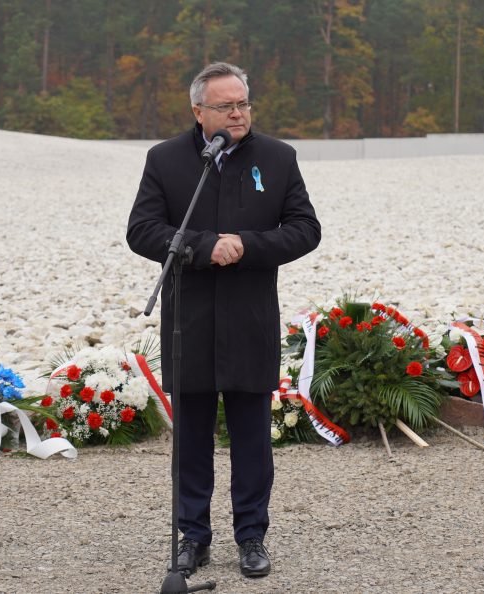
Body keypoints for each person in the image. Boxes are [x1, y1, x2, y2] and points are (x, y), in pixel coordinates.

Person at [126, 62, 321, 579]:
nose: (238, 113)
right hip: (189, 322)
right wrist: (202, 246)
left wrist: (247, 246)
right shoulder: (165, 159)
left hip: (250, 318)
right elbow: (142, 230)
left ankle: (251, 535)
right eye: (225, 106)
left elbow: (306, 229)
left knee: (251, 438)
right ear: (198, 112)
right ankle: (193, 536)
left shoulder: (277, 157)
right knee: (191, 439)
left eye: (243, 104)